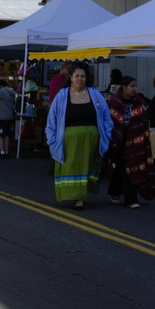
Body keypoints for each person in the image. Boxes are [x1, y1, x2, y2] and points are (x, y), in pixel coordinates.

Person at [45, 61, 112, 210]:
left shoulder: (95, 94)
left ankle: (80, 197)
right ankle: (75, 197)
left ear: (86, 77)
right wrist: (51, 139)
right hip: (69, 142)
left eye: (83, 76)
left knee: (85, 168)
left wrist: (106, 135)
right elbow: (52, 120)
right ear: (71, 77)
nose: (80, 79)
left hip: (91, 141)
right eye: (77, 76)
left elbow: (106, 116)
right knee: (72, 168)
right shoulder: (62, 96)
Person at [104, 76, 155, 208]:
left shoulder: (139, 102)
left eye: (135, 86)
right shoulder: (115, 102)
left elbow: (143, 121)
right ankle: (115, 192)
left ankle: (132, 199)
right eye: (132, 86)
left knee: (134, 169)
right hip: (119, 140)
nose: (134, 89)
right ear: (124, 87)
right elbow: (110, 120)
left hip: (134, 140)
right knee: (120, 169)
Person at [0, 77, 17, 158]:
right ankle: (7, 151)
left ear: (0, 85)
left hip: (1, 117)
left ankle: (2, 152)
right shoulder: (11, 92)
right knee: (7, 135)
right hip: (9, 117)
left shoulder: (2, 92)